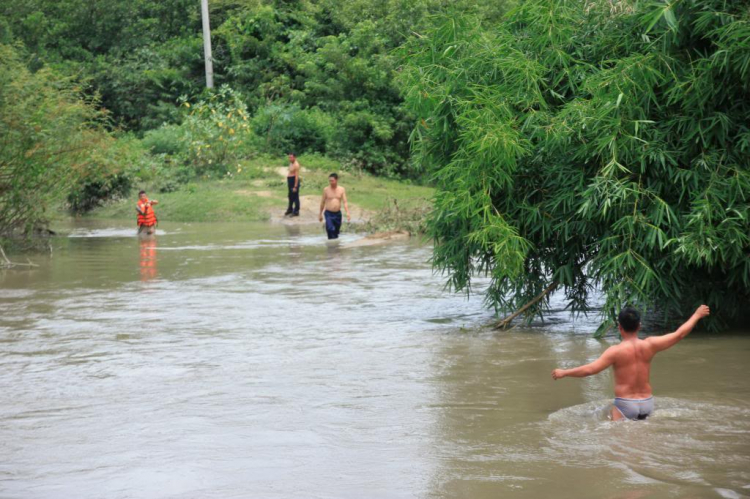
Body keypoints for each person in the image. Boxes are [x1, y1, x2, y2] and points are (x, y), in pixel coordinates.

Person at [552, 305, 711, 421]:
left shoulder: (615, 351)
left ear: (619, 327)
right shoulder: (650, 345)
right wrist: (696, 315)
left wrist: (564, 372)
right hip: (647, 403)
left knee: (620, 448)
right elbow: (679, 334)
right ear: (639, 326)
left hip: (625, 405)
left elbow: (590, 370)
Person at [318, 173, 350, 239]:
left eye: (332, 181)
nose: (331, 182)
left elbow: (345, 202)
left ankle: (334, 247)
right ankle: (331, 246)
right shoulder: (326, 190)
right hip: (329, 213)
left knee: (336, 232)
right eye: (330, 181)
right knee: (330, 229)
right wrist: (320, 214)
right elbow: (322, 202)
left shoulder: (341, 189)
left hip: (338, 214)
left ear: (336, 180)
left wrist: (347, 213)